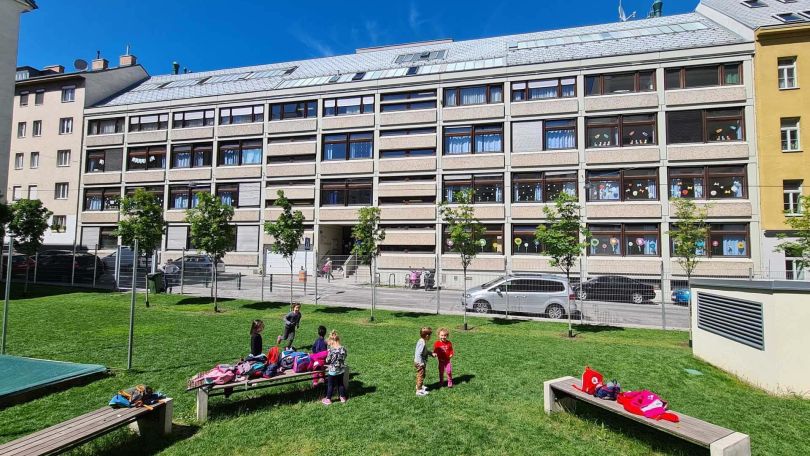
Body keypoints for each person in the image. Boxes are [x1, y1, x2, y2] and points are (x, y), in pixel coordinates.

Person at [322, 330, 348, 405]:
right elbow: (345, 356)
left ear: (332, 341)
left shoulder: (331, 350)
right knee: (340, 384)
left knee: (330, 385)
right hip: (341, 369)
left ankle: (328, 399)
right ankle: (342, 398)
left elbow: (327, 360)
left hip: (333, 370)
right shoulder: (343, 348)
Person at [414, 327, 436, 396]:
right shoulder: (422, 343)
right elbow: (418, 354)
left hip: (420, 362)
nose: (430, 337)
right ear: (427, 336)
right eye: (430, 335)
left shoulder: (422, 340)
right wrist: (421, 363)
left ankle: (420, 385)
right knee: (420, 375)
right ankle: (419, 390)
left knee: (422, 375)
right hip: (420, 363)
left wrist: (431, 353)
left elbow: (425, 351)